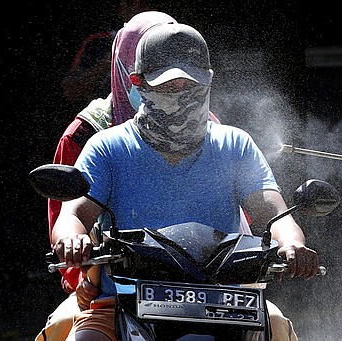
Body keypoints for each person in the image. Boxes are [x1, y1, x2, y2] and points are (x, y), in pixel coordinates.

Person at [51, 23, 320, 340]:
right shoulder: (107, 148)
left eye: (191, 87)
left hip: (226, 303)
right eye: (167, 88)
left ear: (209, 81)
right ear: (138, 85)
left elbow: (273, 214)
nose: (181, 97)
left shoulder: (235, 145)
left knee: (276, 328)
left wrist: (292, 244)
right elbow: (71, 216)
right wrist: (72, 239)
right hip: (123, 303)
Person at [36, 11, 178, 341]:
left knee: (272, 322)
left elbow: (239, 218)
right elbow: (67, 223)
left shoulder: (211, 132)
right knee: (60, 329)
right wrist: (85, 269)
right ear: (126, 67)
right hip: (110, 287)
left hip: (198, 286)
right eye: (148, 64)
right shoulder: (87, 136)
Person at [61, 0, 156, 110]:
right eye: (130, 3)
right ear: (121, 8)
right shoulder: (98, 43)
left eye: (143, 4)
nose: (137, 9)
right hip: (108, 120)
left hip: (153, 118)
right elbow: (70, 91)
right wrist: (111, 59)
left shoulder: (164, 42)